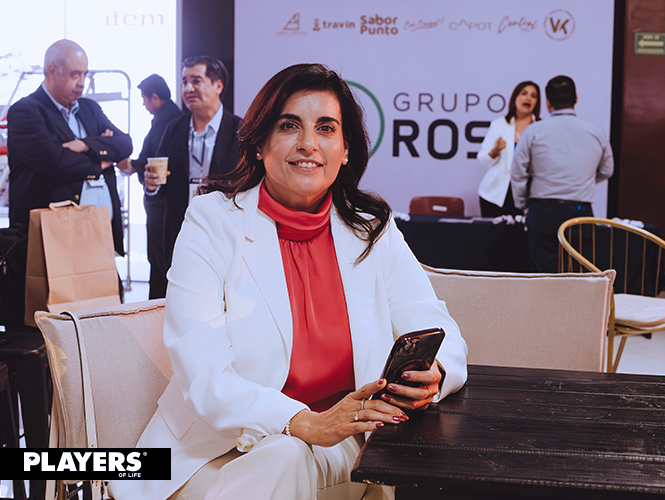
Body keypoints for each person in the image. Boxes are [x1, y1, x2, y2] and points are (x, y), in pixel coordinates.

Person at [109, 63, 468, 500]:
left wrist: (433, 374)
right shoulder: (211, 221)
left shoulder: (373, 230)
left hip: (340, 436)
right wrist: (301, 421)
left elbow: (440, 332)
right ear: (260, 143)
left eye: (326, 128)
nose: (308, 144)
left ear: (346, 149)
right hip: (214, 442)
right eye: (289, 125)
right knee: (286, 454)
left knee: (287, 456)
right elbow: (203, 371)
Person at [7, 39, 132, 256]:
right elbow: (56, 162)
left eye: (85, 74)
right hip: (51, 239)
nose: (81, 82)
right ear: (52, 70)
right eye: (75, 74)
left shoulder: (89, 108)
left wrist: (84, 144)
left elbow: (125, 144)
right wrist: (104, 159)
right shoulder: (26, 111)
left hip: (101, 233)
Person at [144, 56, 241, 297]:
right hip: (178, 229)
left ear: (218, 85)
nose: (188, 88)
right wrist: (152, 185)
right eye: (184, 81)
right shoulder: (173, 128)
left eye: (196, 81)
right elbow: (159, 183)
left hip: (223, 231)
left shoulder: (240, 131)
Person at [511, 75, 614, 273]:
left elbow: (517, 172)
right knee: (579, 274)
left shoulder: (534, 131)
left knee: (544, 276)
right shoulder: (595, 131)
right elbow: (607, 170)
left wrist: (523, 204)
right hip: (580, 211)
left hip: (543, 210)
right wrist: (580, 182)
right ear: (576, 98)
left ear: (547, 102)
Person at [117, 74, 182, 299]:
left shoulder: (168, 120)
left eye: (144, 99)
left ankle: (156, 307)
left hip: (162, 200)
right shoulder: (173, 117)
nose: (144, 105)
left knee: (159, 256)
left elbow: (155, 158)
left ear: (154, 97)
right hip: (165, 199)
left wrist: (131, 165)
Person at [477, 81, 541, 218]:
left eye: (533, 96)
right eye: (524, 93)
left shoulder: (541, 127)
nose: (528, 98)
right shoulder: (499, 124)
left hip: (528, 196)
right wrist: (495, 151)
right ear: (515, 98)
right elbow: (483, 159)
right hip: (495, 195)